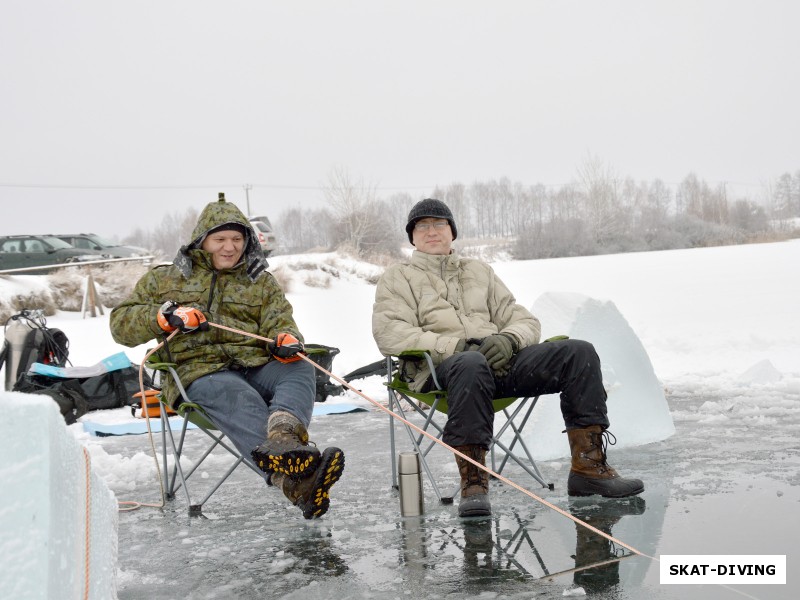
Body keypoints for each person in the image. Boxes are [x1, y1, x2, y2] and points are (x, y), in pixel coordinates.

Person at [372, 198, 643, 518]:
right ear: (412, 237)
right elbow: (390, 333)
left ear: (452, 232)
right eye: (422, 226)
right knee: (470, 364)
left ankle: (589, 470)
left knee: (577, 352)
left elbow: (525, 320)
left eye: (439, 224)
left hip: (497, 364)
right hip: (439, 371)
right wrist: (454, 347)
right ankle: (473, 482)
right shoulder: (397, 277)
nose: (432, 231)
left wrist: (508, 339)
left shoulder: (479, 272)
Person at [110, 194, 344, 519]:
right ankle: (296, 480)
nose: (229, 247)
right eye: (220, 239)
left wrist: (287, 339)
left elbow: (281, 322)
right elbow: (120, 324)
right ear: (201, 241)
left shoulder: (259, 281)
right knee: (240, 396)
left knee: (300, 367)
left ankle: (284, 439)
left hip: (256, 366)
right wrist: (165, 316)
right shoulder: (165, 279)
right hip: (199, 373)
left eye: (237, 239)